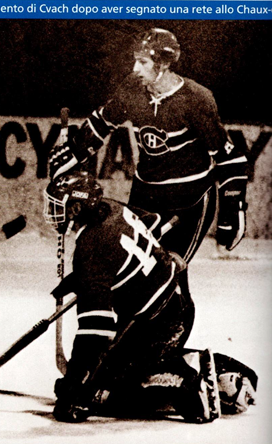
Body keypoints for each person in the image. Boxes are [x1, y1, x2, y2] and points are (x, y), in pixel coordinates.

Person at [42, 171, 257, 423]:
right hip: (177, 303)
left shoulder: (89, 250)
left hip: (155, 324)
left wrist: (75, 385)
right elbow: (151, 223)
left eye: (59, 205)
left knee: (104, 391)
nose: (52, 211)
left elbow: (96, 329)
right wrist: (87, 277)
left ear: (77, 208)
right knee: (116, 367)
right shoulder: (111, 207)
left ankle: (185, 386)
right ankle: (222, 374)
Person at [49, 28, 249, 297]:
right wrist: (73, 152)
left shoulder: (196, 99)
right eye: (135, 60)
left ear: (163, 64)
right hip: (146, 194)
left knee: (169, 276)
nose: (135, 69)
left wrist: (233, 211)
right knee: (131, 269)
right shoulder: (133, 90)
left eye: (142, 62)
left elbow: (230, 159)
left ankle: (174, 322)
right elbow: (103, 121)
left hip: (189, 201)